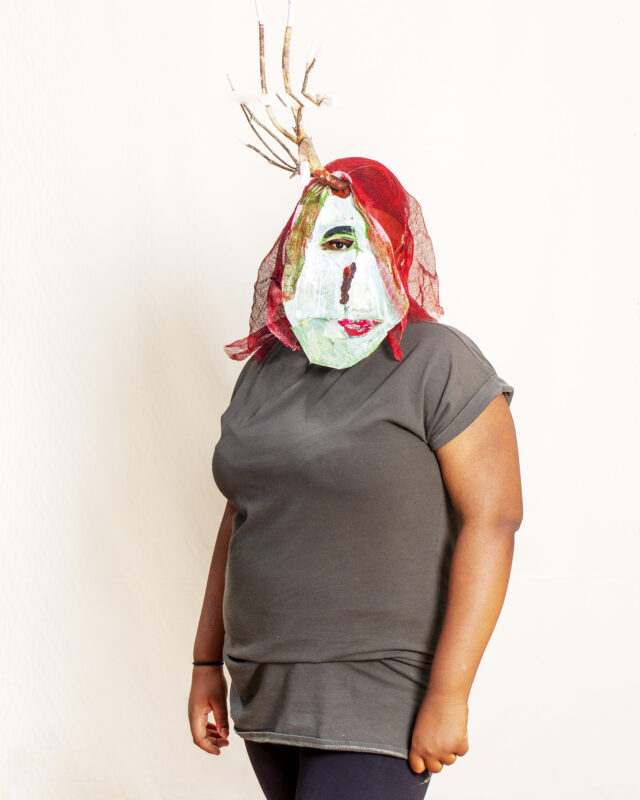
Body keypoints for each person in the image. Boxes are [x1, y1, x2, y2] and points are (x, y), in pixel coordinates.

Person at [187, 156, 523, 799]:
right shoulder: (265, 369)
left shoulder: (438, 361)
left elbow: (494, 520)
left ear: (393, 242)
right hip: (264, 690)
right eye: (318, 239)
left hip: (379, 689)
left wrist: (450, 694)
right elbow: (242, 514)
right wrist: (207, 662)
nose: (334, 257)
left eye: (351, 237)